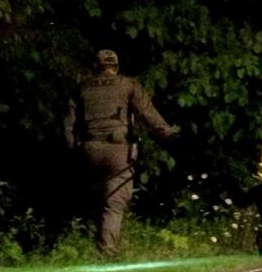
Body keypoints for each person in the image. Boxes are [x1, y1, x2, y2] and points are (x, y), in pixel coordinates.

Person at [64, 49, 179, 257]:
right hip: (118, 152)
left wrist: (74, 152)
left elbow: (68, 126)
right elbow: (148, 114)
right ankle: (106, 254)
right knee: (114, 203)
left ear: (96, 67)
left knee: (96, 201)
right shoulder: (128, 85)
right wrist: (169, 135)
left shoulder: (81, 88)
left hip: (89, 152)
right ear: (116, 67)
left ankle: (93, 246)